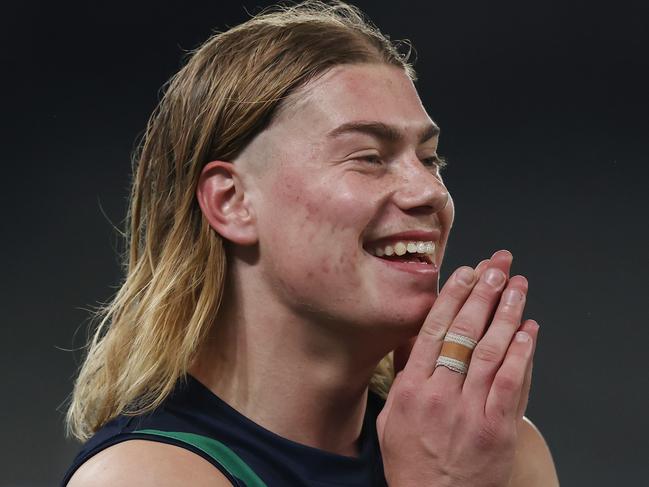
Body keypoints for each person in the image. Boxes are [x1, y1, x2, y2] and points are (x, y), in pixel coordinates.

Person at [62, 1, 559, 486]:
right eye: (369, 156)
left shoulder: (490, 452)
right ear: (233, 202)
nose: (430, 191)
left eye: (429, 159)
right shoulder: (143, 476)